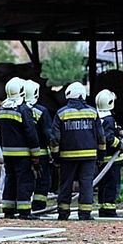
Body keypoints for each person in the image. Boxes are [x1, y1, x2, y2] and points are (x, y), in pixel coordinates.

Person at [50, 81, 104, 221]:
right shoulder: (92, 112)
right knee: (86, 184)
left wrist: (55, 156)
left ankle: (63, 213)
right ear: (82, 95)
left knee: (65, 184)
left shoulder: (61, 113)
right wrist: (101, 155)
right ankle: (85, 214)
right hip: (89, 156)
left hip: (67, 157)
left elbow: (55, 138)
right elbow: (100, 136)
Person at [0, 77, 40, 219]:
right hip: (23, 154)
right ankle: (24, 211)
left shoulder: (2, 109)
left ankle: (8, 209)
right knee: (24, 180)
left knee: (10, 179)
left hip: (8, 153)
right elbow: (30, 133)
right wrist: (35, 153)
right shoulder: (23, 109)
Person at [23, 79, 53, 212]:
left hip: (23, 154)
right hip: (41, 154)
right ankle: (39, 206)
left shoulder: (18, 110)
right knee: (43, 181)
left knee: (26, 180)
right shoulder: (42, 111)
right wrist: (54, 151)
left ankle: (24, 204)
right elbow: (48, 134)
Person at [95, 89, 123, 218]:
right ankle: (110, 211)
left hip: (101, 158)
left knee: (103, 185)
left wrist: (122, 132)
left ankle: (102, 209)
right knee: (111, 185)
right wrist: (120, 143)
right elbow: (109, 138)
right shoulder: (109, 119)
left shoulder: (97, 117)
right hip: (112, 159)